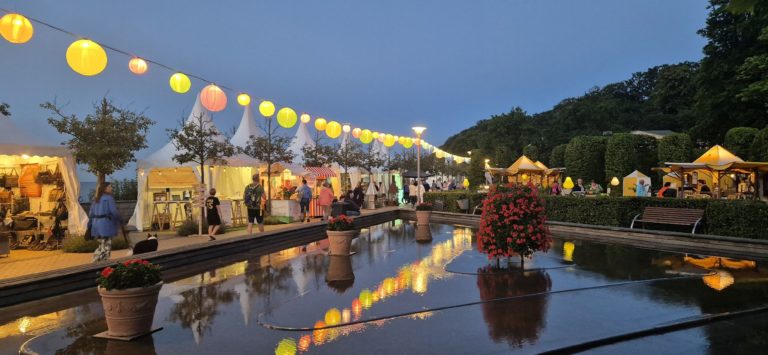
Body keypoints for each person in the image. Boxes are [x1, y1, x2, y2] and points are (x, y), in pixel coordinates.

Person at [90, 182, 122, 262]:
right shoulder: (109, 198)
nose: (111, 188)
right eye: (109, 187)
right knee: (107, 245)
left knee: (101, 244)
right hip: (105, 225)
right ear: (105, 189)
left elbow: (91, 214)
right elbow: (114, 212)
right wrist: (119, 220)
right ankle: (103, 263)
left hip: (96, 225)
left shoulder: (95, 199)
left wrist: (89, 226)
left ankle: (96, 261)